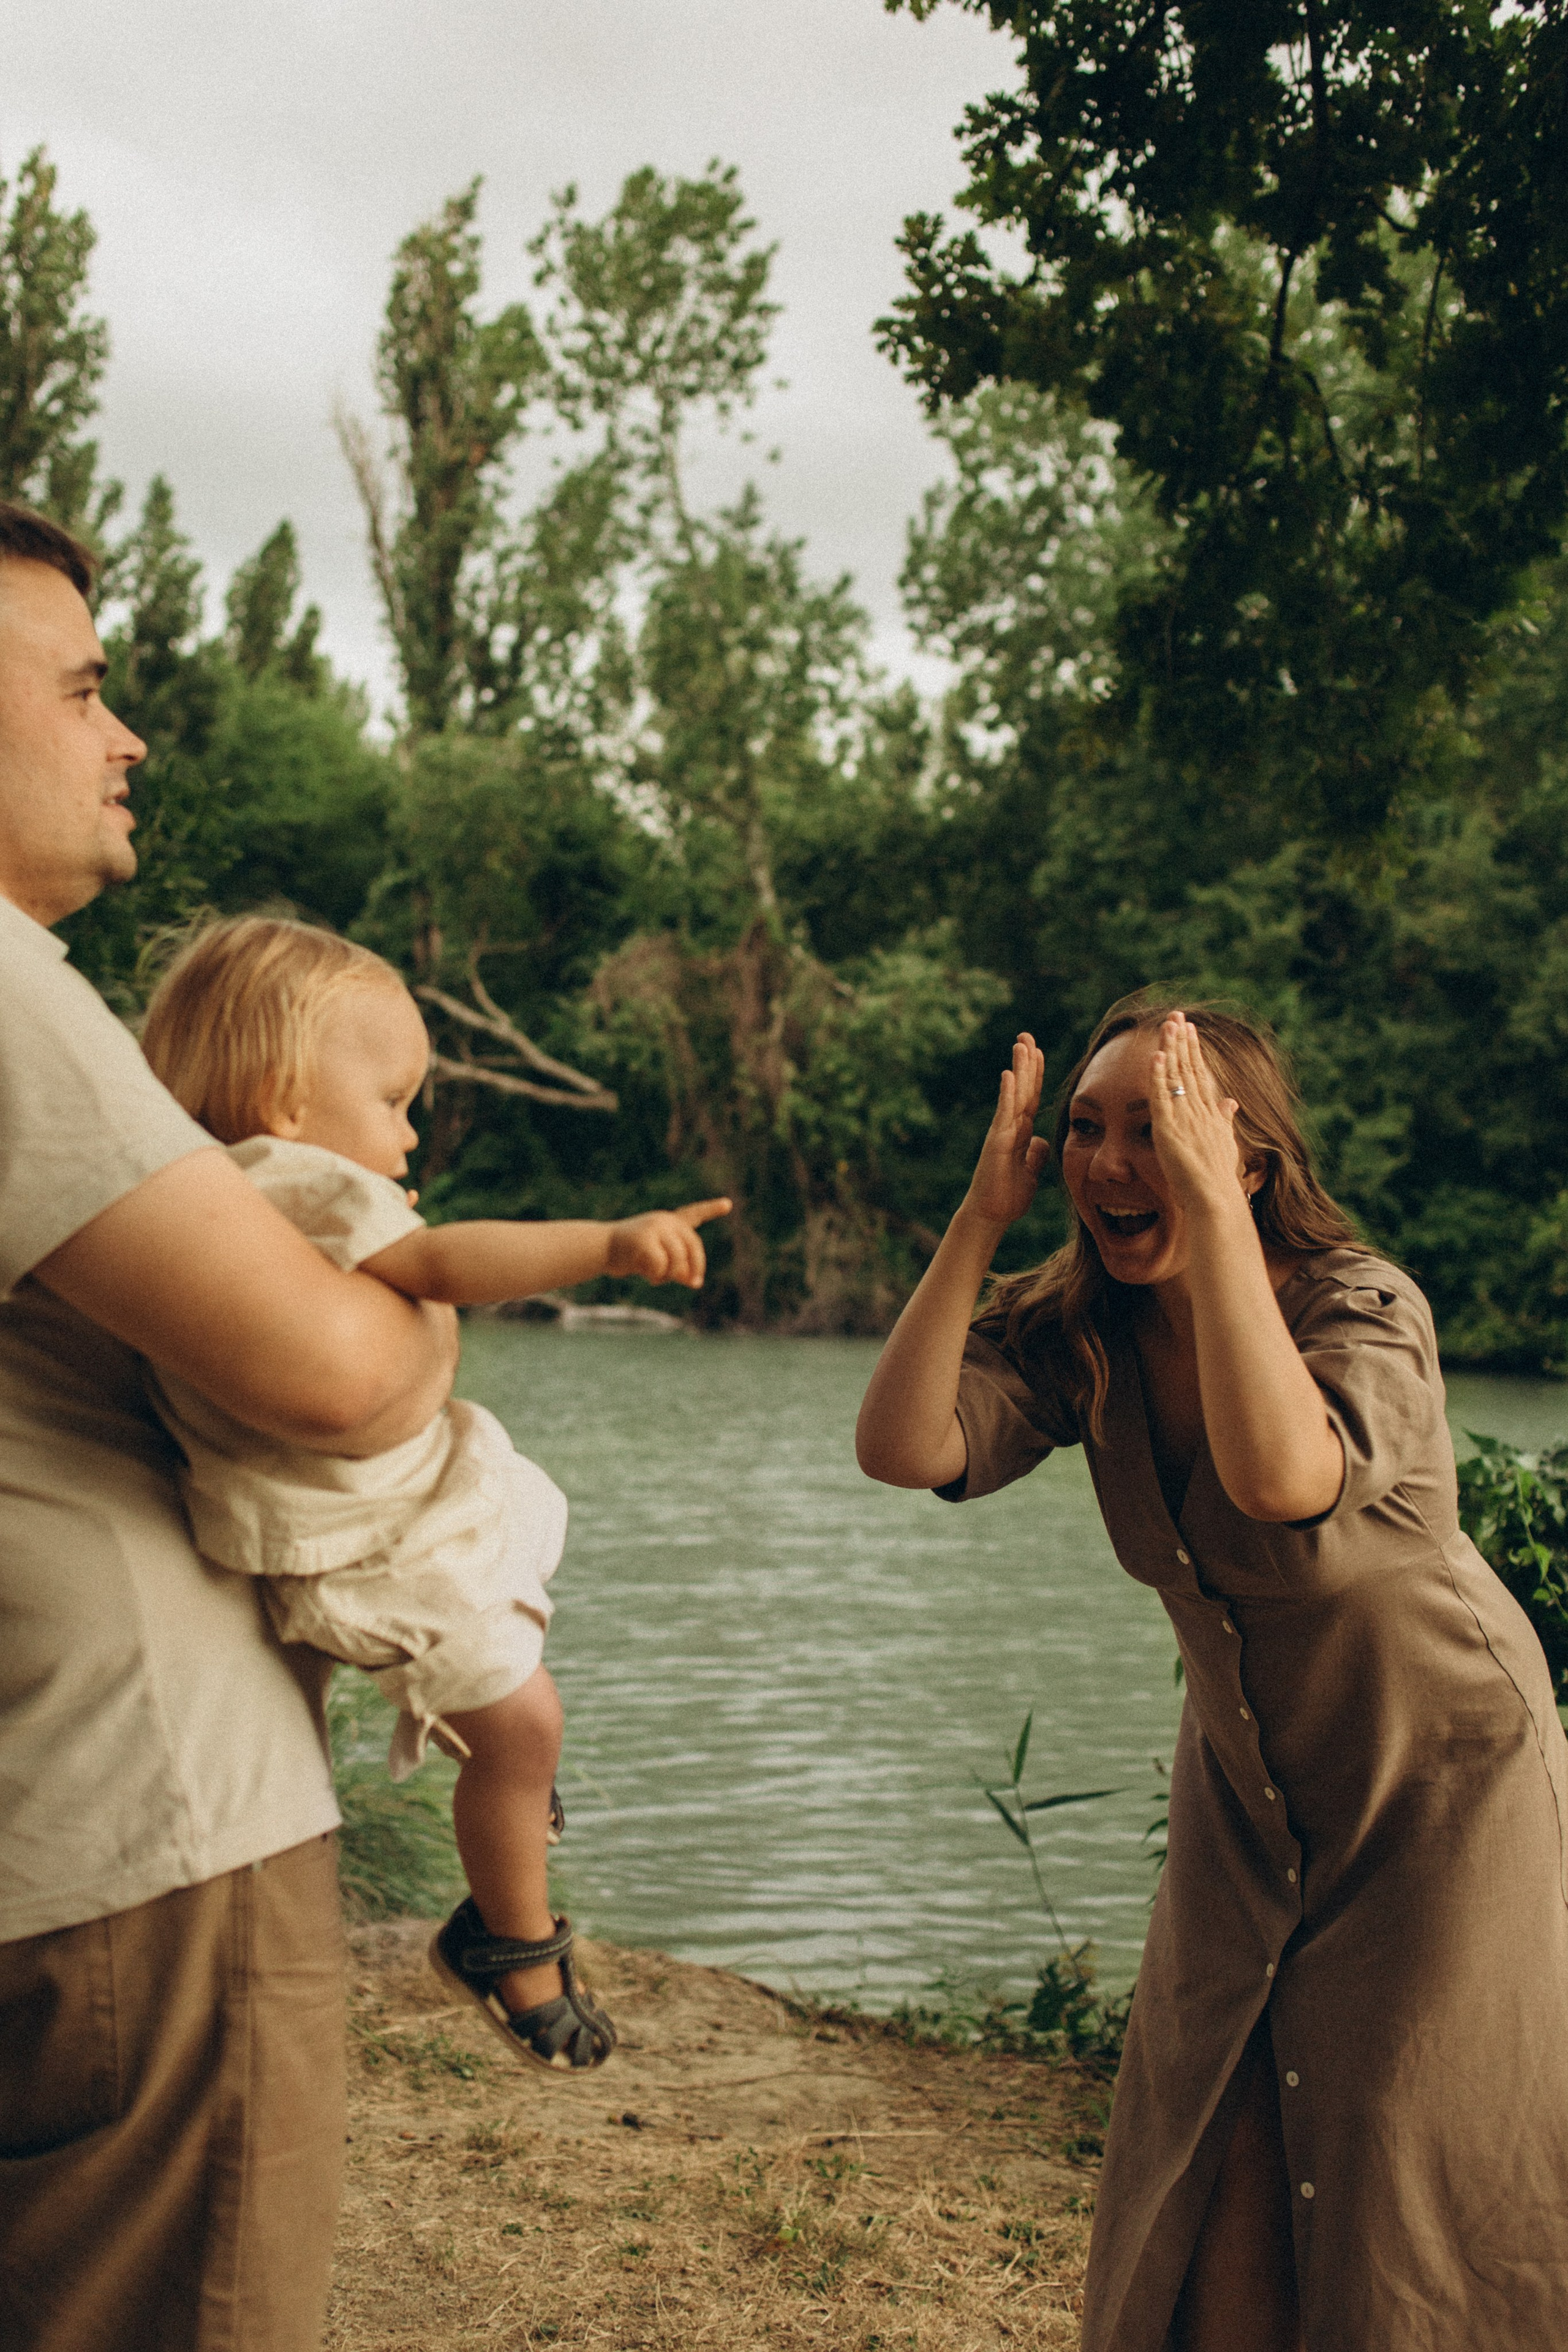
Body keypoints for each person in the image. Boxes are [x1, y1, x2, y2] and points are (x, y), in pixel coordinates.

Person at [856, 994, 1568, 2351]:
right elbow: (904, 1446)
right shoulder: (1083, 1327)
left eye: (1158, 1128)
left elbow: (1282, 1480)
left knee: (1402, 2154)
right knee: (1216, 2143)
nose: (1113, 1160)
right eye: (1085, 1129)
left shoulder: (1362, 1307)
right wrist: (976, 1222)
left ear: (1247, 1159)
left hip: (1437, 1786)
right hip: (1247, 1800)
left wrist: (1214, 1226)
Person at [0, 505, 461, 2352]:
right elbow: (331, 1376)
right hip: (141, 1827)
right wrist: (423, 1309)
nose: (130, 741)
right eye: (85, 690)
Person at [138, 914, 730, 2070]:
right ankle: (507, 1943)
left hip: (366, 1508)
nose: (410, 1134)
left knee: (512, 1716)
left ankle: (510, 1808)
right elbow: (445, 1261)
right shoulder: (296, 1180)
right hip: (366, 1535)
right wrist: (608, 1242)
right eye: (396, 1102)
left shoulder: (205, 1184)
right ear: (284, 1101)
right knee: (528, 1721)